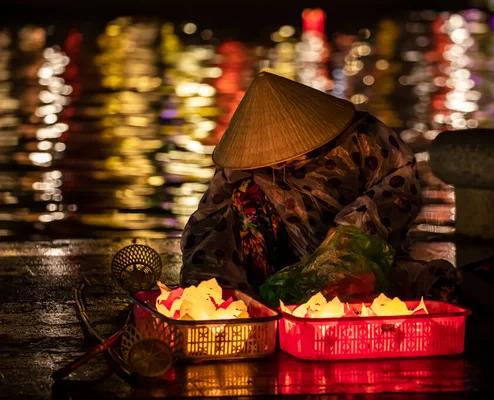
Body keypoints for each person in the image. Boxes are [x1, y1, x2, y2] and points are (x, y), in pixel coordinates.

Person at [180, 71, 458, 301]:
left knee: (416, 285)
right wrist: (205, 283)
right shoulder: (246, 162)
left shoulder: (364, 138)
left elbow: (398, 191)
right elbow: (210, 222)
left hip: (358, 252)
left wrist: (348, 235)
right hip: (281, 259)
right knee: (243, 197)